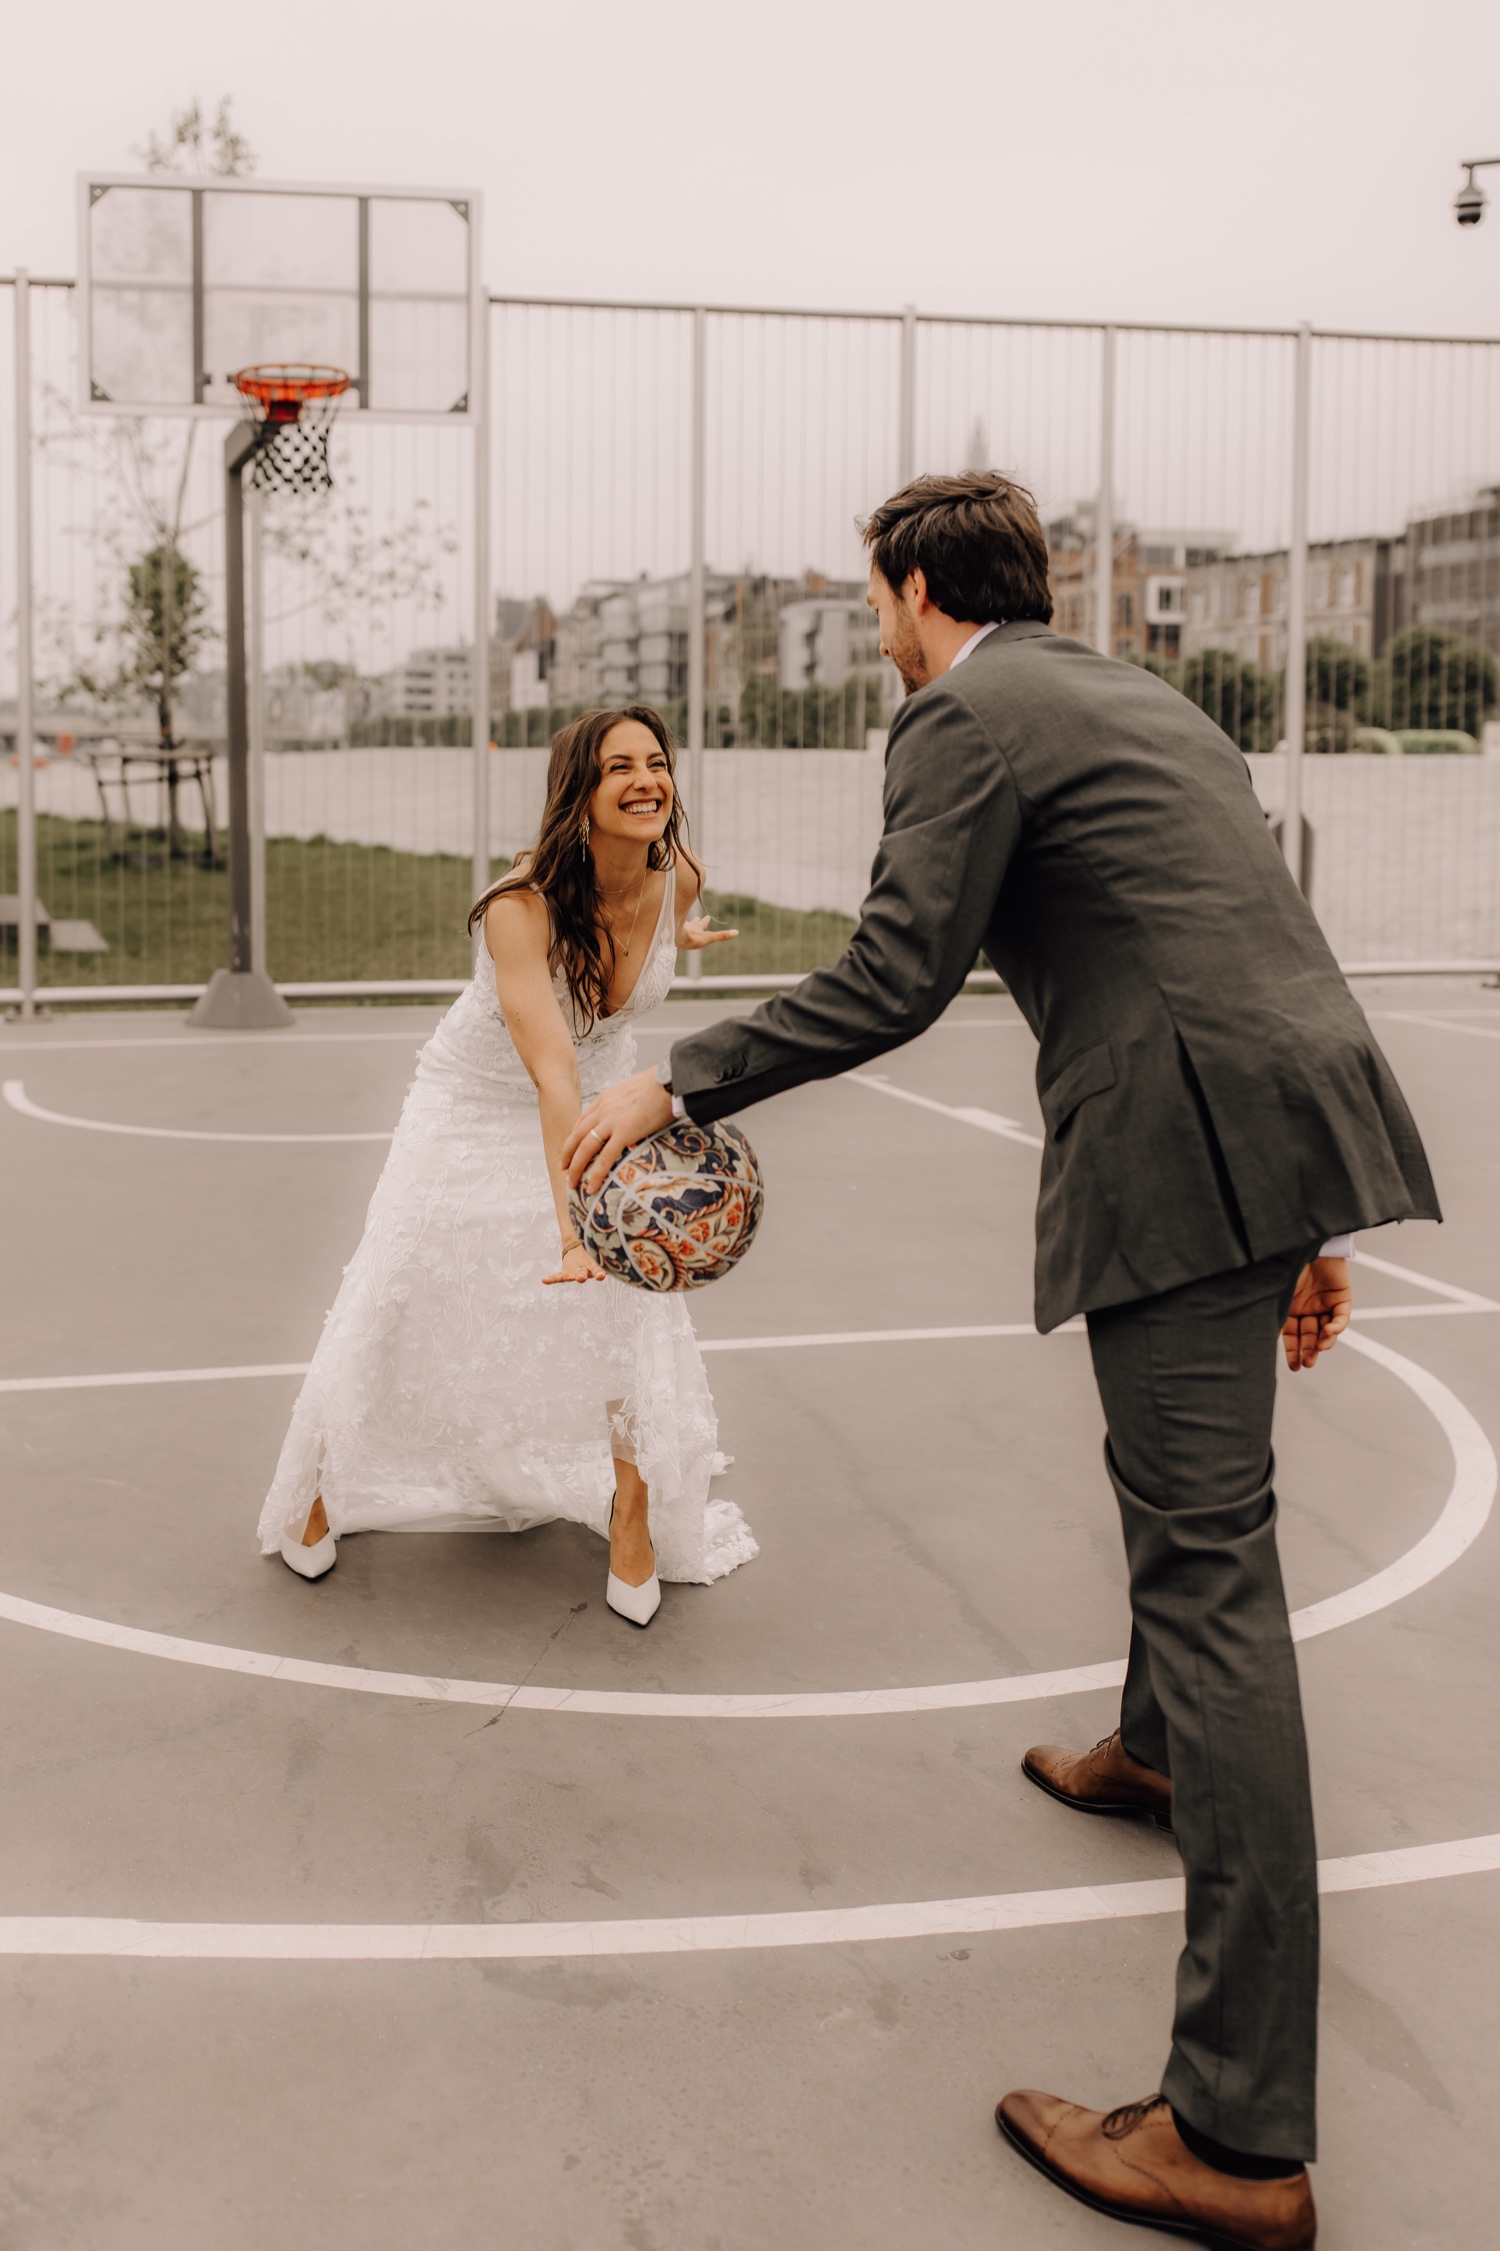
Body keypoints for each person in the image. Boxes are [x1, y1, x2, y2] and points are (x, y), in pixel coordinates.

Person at [564, 474, 1439, 2247]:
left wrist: (682, 1076)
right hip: (1276, 1109)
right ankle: (1155, 1747)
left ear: (908, 590)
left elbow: (900, 972)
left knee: (1214, 1567)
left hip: (1183, 1138)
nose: (876, 626)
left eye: (869, 598)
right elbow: (1242, 930)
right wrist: (1312, 1211)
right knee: (1186, 1501)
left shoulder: (961, 711)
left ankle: (1239, 2138)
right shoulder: (1141, 695)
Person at [258, 705, 757, 1627]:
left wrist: (674, 943)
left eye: (658, 762)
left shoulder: (677, 875)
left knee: (628, 1301)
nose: (648, 780)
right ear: (579, 791)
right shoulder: (516, 910)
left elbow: (634, 961)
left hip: (604, 1092)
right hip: (475, 1100)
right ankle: (318, 1488)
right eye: (621, 768)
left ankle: (634, 1513)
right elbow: (550, 1072)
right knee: (399, 1285)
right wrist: (573, 1225)